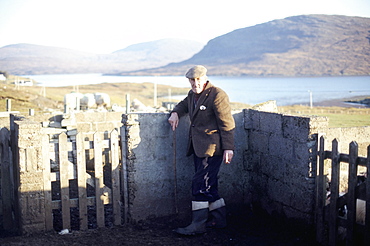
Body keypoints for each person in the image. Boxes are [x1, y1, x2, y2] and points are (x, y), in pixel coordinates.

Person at [168, 65, 235, 235]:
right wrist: (175, 112)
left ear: (205, 78)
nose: (195, 83)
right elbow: (183, 105)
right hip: (198, 147)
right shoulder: (193, 95)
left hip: (212, 149)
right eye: (192, 80)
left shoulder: (217, 95)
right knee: (209, 186)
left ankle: (198, 225)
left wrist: (229, 148)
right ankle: (219, 221)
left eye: (198, 79)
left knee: (200, 185)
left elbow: (227, 124)